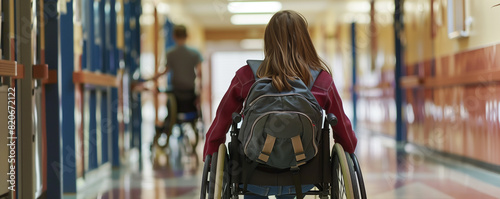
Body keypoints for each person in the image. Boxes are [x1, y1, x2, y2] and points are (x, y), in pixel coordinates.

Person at [203, 10, 357, 199]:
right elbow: (343, 127)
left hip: (251, 173)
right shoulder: (321, 80)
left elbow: (221, 121)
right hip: (305, 174)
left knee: (251, 180)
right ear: (305, 40)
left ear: (268, 41)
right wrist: (349, 152)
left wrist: (210, 156)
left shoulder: (246, 76)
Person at [151, 25, 203, 150]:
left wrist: (154, 77)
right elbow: (200, 73)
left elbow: (166, 71)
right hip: (190, 93)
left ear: (174, 36)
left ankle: (163, 132)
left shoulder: (170, 53)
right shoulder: (195, 53)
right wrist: (200, 92)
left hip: (176, 94)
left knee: (170, 112)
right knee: (193, 111)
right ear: (187, 36)